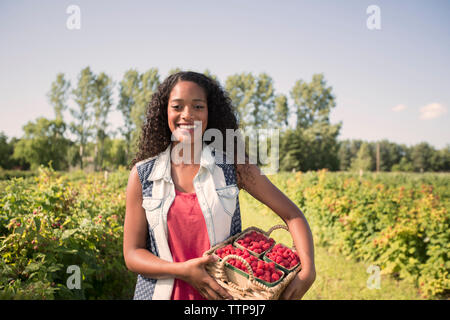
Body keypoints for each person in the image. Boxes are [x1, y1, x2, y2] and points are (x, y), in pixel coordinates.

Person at [123, 71, 316, 300]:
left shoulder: (233, 167)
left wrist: (308, 271)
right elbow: (132, 254)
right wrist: (182, 271)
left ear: (209, 112)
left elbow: (293, 215)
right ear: (164, 111)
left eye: (197, 106)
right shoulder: (143, 175)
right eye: (177, 106)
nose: (187, 115)